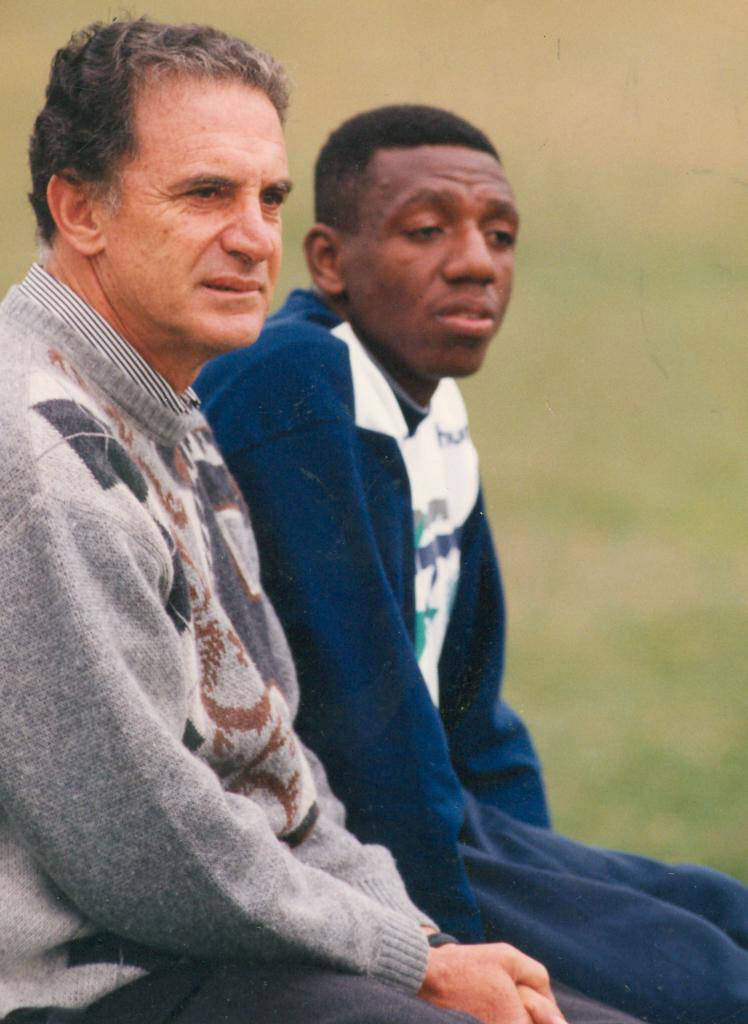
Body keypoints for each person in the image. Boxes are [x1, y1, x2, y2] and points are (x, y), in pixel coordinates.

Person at [0, 22, 624, 1024]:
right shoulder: (39, 459)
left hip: (233, 945)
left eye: (269, 198)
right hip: (100, 986)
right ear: (80, 209)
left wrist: (421, 939)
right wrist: (410, 960)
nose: (255, 237)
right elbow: (145, 849)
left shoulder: (171, 412)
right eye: (207, 194)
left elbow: (280, 766)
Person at [196, 105, 748, 1024]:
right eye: (426, 231)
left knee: (721, 915)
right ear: (329, 261)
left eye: (501, 236)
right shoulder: (297, 382)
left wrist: (557, 883)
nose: (475, 263)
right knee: (714, 989)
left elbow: (470, 712)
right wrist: (450, 947)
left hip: (444, 823)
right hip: (343, 846)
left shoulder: (433, 408)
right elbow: (362, 727)